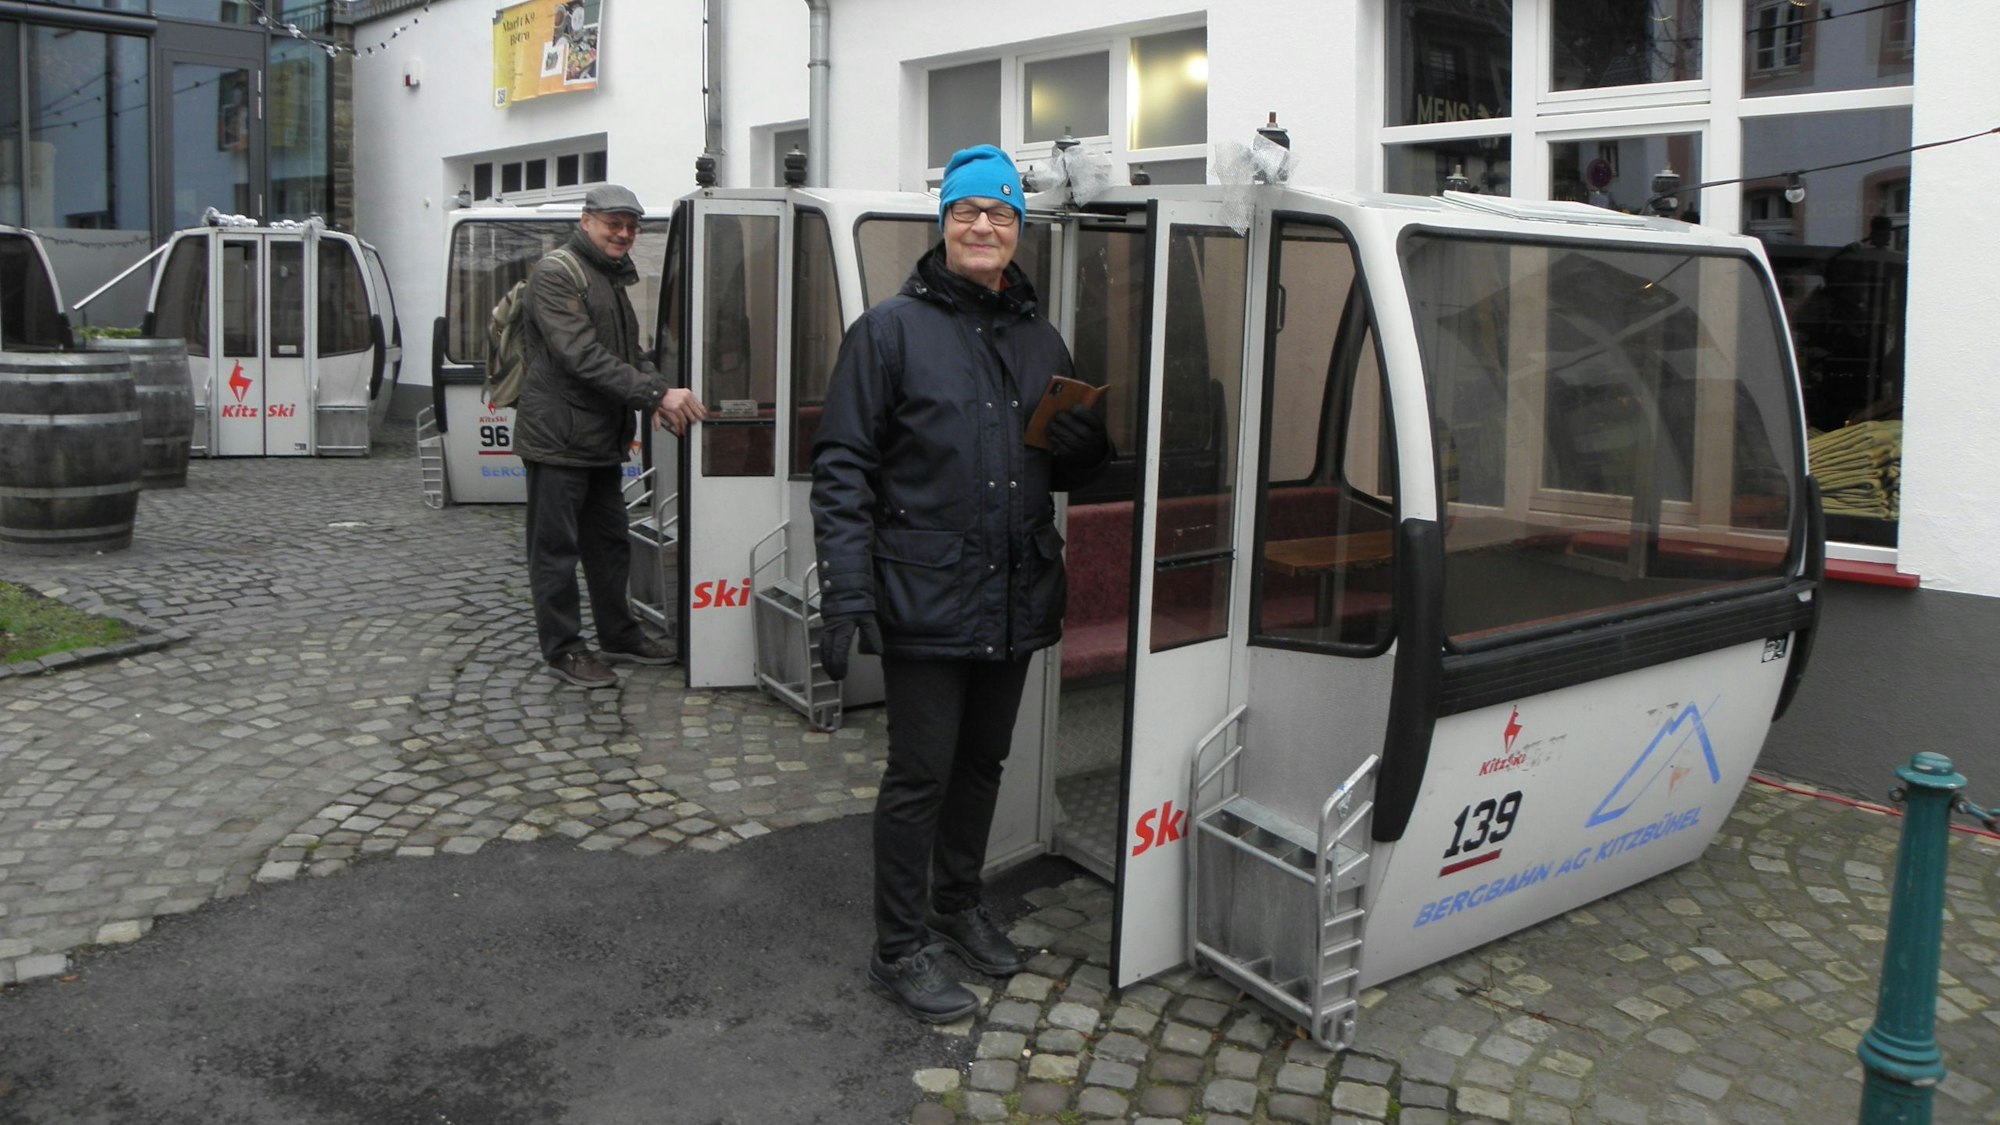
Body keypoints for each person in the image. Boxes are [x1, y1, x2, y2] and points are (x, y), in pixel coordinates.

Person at [810, 144, 1112, 1022]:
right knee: (920, 775)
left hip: (1013, 589)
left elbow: (1053, 468)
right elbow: (842, 468)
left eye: (1001, 214)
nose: (984, 226)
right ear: (944, 223)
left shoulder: (1040, 338)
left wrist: (1088, 449)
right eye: (968, 212)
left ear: (1019, 229)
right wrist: (847, 592)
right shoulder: (888, 333)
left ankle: (956, 900)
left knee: (983, 763)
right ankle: (898, 946)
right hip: (925, 595)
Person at [514, 184, 706, 689]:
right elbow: (581, 356)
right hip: (558, 440)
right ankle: (564, 648)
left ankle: (619, 635)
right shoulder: (557, 274)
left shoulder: (609, 276)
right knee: (555, 551)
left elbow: (630, 354)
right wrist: (656, 395)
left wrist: (658, 390)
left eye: (630, 226)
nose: (623, 233)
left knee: (610, 545)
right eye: (613, 224)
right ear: (586, 222)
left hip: (599, 438)